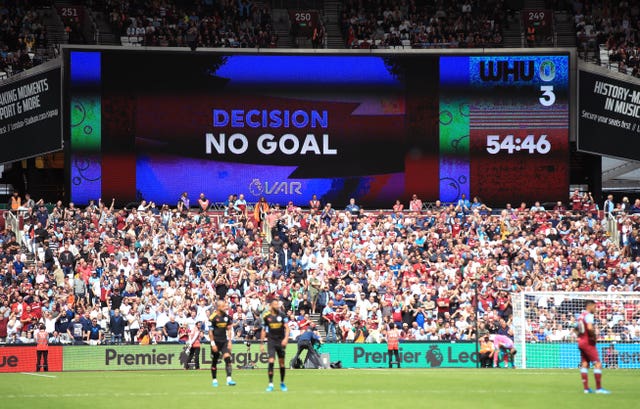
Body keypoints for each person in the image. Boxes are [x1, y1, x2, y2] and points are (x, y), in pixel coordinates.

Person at [576, 300, 610, 394]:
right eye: (595, 307)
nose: (596, 309)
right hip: (588, 342)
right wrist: (593, 337)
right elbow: (590, 328)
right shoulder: (589, 315)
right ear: (589, 306)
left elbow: (576, 329)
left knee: (585, 364)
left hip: (581, 342)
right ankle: (599, 389)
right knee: (598, 364)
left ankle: (586, 389)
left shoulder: (580, 316)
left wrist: (579, 338)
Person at [260, 300, 290, 392]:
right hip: (271, 341)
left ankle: (282, 382)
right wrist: (261, 343)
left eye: (278, 304)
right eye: (275, 304)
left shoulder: (282, 315)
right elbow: (264, 330)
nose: (277, 306)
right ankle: (270, 384)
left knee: (281, 363)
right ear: (271, 305)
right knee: (271, 360)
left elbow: (287, 328)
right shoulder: (266, 316)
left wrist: (285, 339)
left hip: (281, 342)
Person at [209, 300, 236, 387]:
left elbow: (229, 329)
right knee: (215, 361)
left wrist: (230, 341)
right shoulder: (212, 317)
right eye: (223, 306)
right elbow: (210, 332)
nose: (225, 307)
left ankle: (229, 380)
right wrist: (212, 343)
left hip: (224, 342)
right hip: (216, 342)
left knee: (228, 359)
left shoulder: (226, 317)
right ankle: (214, 380)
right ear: (219, 307)